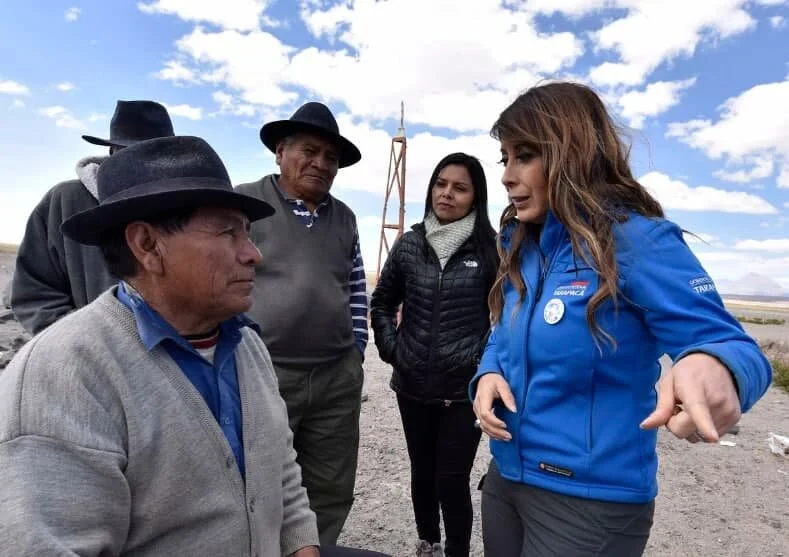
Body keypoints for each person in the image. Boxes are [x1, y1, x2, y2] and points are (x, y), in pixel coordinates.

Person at [0, 136, 389, 557]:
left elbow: (281, 475)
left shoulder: (245, 346)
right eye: (228, 232)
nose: (254, 254)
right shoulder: (64, 375)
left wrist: (302, 548)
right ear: (148, 246)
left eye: (247, 233)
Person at [471, 82, 772, 557]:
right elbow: (503, 327)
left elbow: (731, 345)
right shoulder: (520, 243)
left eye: (524, 155)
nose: (507, 175)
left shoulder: (633, 240)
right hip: (505, 479)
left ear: (573, 151)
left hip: (589, 504)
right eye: (504, 157)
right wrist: (488, 371)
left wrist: (718, 368)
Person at [235, 102, 368, 546]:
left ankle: (316, 550)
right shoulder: (245, 203)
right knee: (259, 480)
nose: (321, 164)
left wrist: (357, 349)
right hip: (264, 372)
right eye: (309, 151)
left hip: (336, 376)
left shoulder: (345, 217)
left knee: (330, 485)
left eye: (330, 158)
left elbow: (355, 288)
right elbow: (220, 281)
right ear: (280, 150)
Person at [371, 153, 498, 557]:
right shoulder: (410, 244)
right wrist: (394, 349)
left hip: (463, 392)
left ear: (475, 197)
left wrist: (484, 362)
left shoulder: (491, 249)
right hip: (412, 386)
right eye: (441, 184)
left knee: (452, 480)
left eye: (459, 187)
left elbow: (508, 315)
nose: (447, 193)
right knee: (422, 475)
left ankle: (456, 551)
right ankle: (428, 542)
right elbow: (382, 301)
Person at [11, 100, 174, 334]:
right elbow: (34, 293)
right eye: (130, 152)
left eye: (153, 155)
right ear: (112, 152)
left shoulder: (186, 205)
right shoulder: (65, 201)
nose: (142, 164)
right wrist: (85, 341)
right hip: (88, 356)